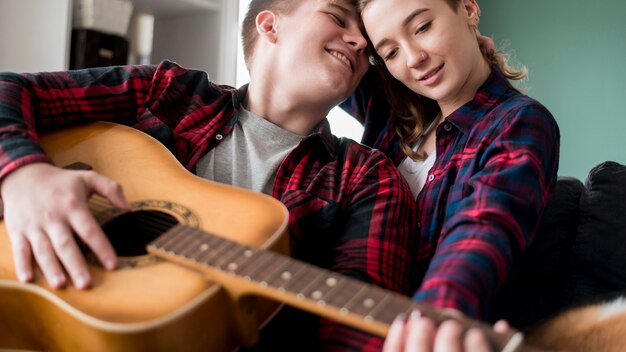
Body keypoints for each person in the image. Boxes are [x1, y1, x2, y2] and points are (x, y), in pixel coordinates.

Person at [0, 0, 418, 350]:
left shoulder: (367, 178)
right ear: (270, 26)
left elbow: (354, 339)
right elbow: (10, 89)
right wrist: (24, 175)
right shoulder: (168, 92)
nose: (361, 42)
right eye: (338, 17)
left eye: (368, 45)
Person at [340, 0, 560, 349]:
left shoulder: (519, 122)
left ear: (469, 9)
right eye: (391, 51)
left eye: (423, 27)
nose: (413, 59)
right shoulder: (390, 115)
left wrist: (436, 316)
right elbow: (317, 36)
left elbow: (483, 226)